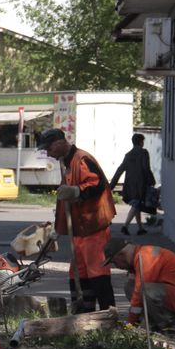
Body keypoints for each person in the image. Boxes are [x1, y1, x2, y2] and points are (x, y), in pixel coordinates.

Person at [37, 128, 116, 312]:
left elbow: (97, 183)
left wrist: (77, 191)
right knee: (78, 273)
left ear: (58, 144)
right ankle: (83, 314)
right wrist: (58, 227)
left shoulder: (81, 159)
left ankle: (108, 315)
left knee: (97, 272)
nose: (48, 154)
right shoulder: (66, 162)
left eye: (49, 149)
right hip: (80, 229)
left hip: (93, 227)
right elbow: (65, 203)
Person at [102, 238, 175, 336]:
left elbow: (139, 292)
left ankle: (173, 328)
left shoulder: (146, 257)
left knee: (145, 291)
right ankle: (154, 325)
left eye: (114, 262)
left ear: (121, 255)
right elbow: (134, 289)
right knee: (130, 287)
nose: (117, 267)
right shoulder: (139, 256)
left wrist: (130, 324)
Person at [109, 133, 155, 235]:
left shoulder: (128, 155)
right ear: (140, 142)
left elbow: (120, 170)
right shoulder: (144, 153)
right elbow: (146, 168)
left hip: (130, 185)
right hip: (140, 184)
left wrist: (111, 185)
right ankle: (125, 226)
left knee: (136, 204)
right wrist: (151, 181)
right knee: (136, 204)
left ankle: (140, 228)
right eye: (143, 141)